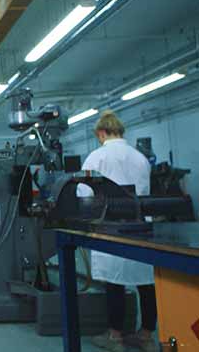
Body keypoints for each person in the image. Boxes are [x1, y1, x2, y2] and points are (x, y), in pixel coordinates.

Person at [78, 111, 157, 352]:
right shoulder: (141, 158)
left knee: (115, 282)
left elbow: (84, 193)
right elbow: (144, 192)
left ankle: (115, 337)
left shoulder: (96, 157)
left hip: (110, 226)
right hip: (140, 226)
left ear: (101, 133)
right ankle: (146, 336)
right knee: (146, 282)